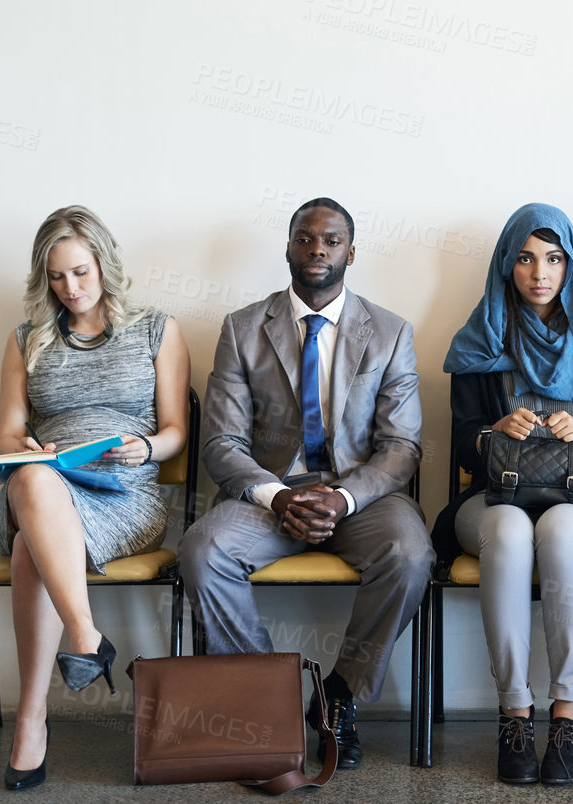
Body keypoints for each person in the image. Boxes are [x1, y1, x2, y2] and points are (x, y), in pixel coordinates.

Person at [178, 197, 432, 771]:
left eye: (331, 240)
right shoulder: (243, 329)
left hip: (360, 497)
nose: (318, 249)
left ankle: (337, 698)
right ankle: (270, 709)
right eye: (305, 238)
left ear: (350, 251)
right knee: (202, 550)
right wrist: (278, 494)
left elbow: (401, 448)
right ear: (288, 246)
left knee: (411, 554)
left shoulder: (390, 332)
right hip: (270, 495)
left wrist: (342, 498)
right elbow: (221, 442)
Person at [429, 204, 573, 787]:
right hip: (496, 499)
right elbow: (465, 445)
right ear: (506, 265)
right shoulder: (478, 341)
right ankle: (514, 714)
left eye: (553, 258)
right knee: (514, 529)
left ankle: (568, 715)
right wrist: (496, 432)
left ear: (571, 266)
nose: (539, 272)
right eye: (524, 258)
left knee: (560, 528)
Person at [0, 206, 191, 790]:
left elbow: (177, 429)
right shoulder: (27, 340)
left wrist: (146, 448)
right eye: (55, 277)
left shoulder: (156, 328)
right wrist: (27, 446)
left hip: (125, 493)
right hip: (44, 483)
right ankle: (85, 635)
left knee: (32, 544)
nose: (70, 289)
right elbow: (4, 436)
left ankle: (32, 723)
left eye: (79, 272)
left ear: (104, 264)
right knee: (30, 481)